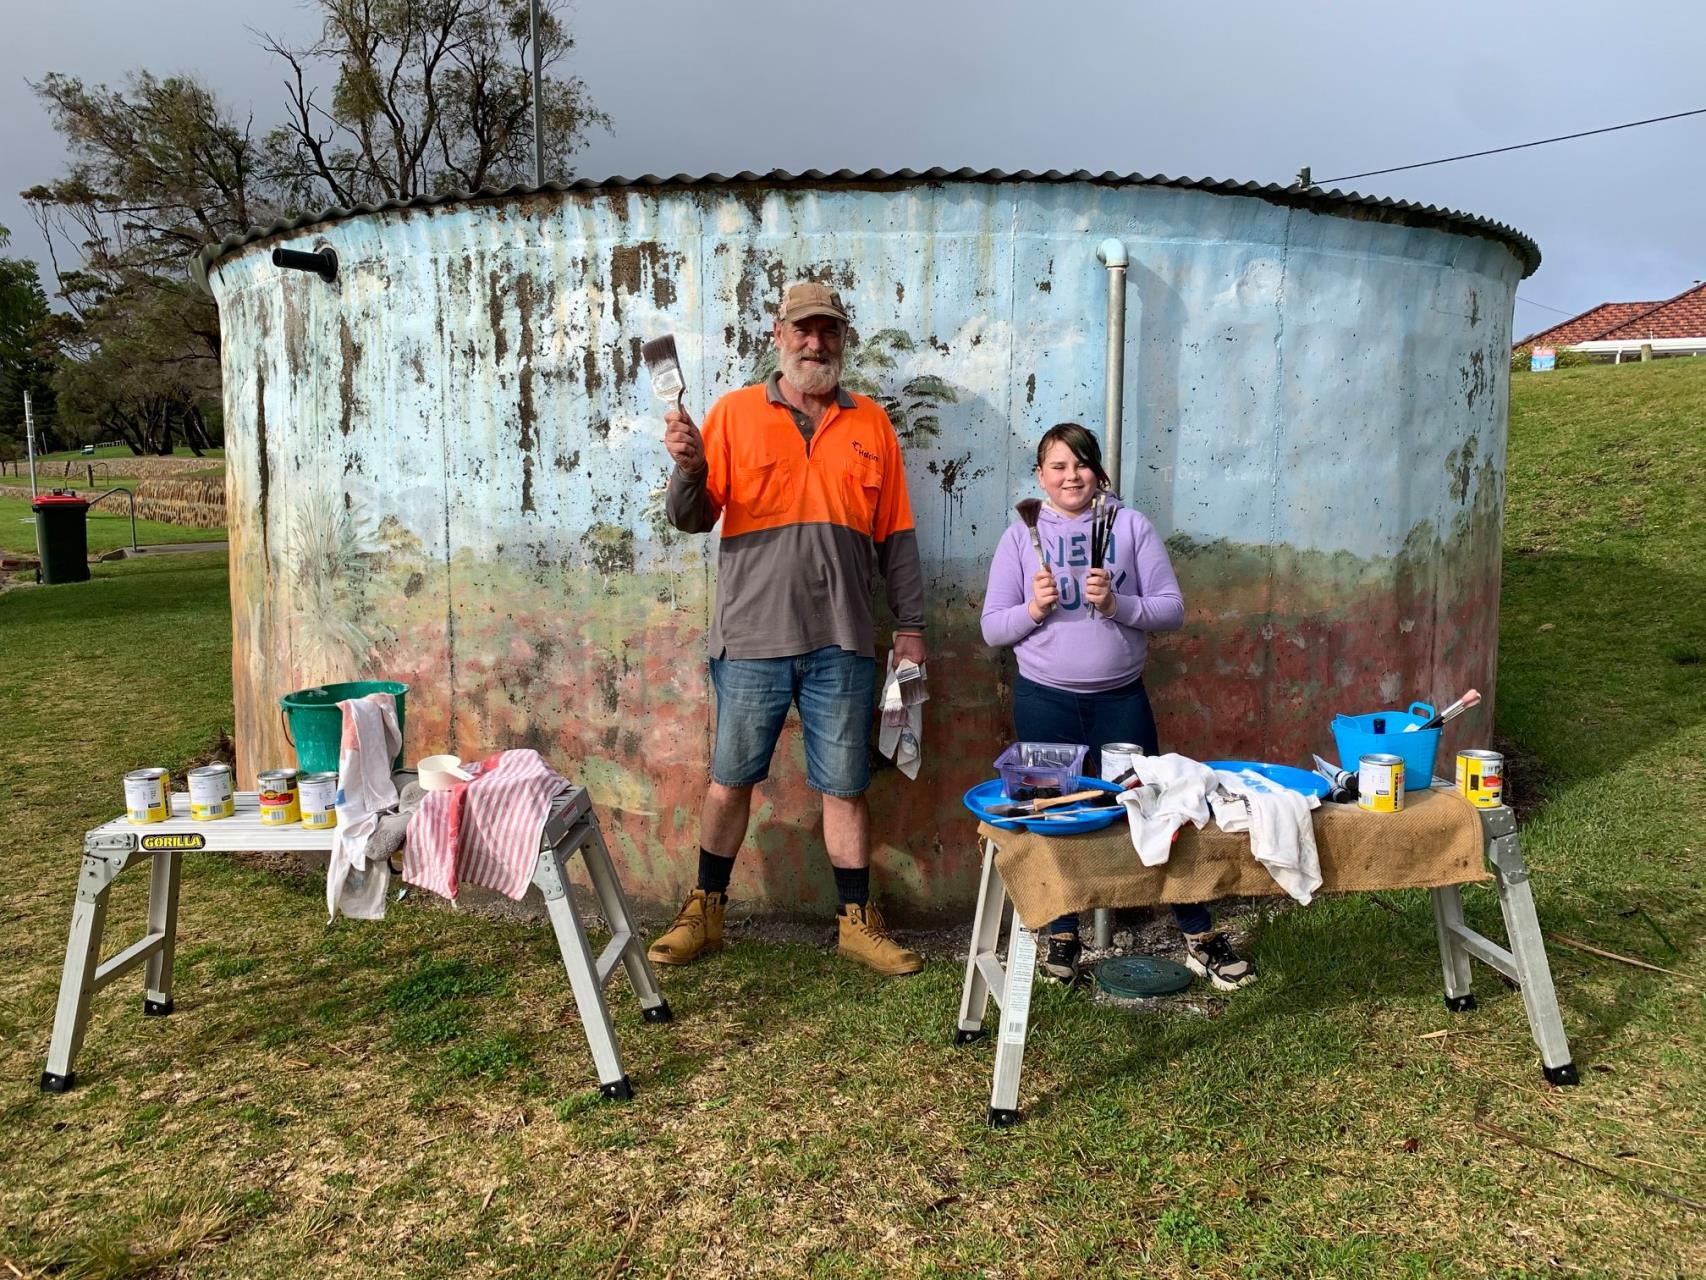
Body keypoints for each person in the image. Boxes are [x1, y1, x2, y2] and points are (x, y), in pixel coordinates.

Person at [650, 281, 928, 976]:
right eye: (804, 329)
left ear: (843, 340)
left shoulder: (871, 426)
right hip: (750, 640)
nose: (816, 342)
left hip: (844, 642)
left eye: (829, 331)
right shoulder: (734, 414)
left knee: (846, 786)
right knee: (729, 780)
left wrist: (912, 626)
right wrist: (686, 469)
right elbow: (690, 517)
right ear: (777, 334)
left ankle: (856, 923)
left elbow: (896, 535)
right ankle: (705, 912)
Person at [979, 423, 1256, 991]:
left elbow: (1172, 609)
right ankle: (1062, 935)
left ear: (1098, 472)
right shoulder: (1019, 538)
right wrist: (1032, 609)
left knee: (1157, 812)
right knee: (1054, 818)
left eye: (1080, 464)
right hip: (1044, 702)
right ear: (1041, 477)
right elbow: (990, 628)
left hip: (1120, 704)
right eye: (1057, 467)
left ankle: (1198, 937)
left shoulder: (1130, 528)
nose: (1070, 476)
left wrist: (1120, 605)